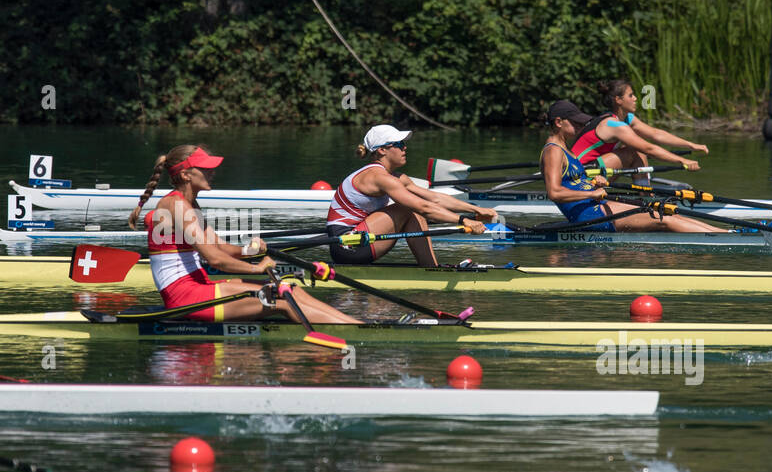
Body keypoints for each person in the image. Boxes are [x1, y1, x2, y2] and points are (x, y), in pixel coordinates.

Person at [127, 144, 360, 324]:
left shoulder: (189, 204)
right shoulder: (176, 206)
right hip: (185, 298)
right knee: (281, 299)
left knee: (291, 290)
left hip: (199, 286)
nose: (212, 172)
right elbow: (215, 259)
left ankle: (357, 324)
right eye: (205, 168)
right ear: (186, 174)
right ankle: (356, 330)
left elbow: (223, 249)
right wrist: (257, 268)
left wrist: (254, 249)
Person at [326, 125, 499, 267]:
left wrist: (477, 209)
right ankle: (431, 270)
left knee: (414, 209)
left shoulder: (397, 178)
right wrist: (463, 221)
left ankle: (431, 268)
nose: (405, 148)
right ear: (382, 151)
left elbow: (434, 198)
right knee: (410, 209)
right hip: (347, 245)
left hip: (363, 239)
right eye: (399, 144)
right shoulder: (378, 177)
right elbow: (424, 207)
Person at [540, 101, 718, 233]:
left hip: (596, 205)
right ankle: (728, 237)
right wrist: (591, 193)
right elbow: (554, 192)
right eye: (575, 123)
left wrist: (594, 183)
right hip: (590, 215)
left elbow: (573, 183)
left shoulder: (566, 151)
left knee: (661, 211)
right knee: (664, 218)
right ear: (558, 122)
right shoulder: (553, 152)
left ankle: (728, 234)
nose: (580, 126)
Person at [570, 79, 709, 172]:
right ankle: (645, 196)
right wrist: (682, 160)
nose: (636, 99)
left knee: (635, 149)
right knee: (635, 150)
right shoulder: (613, 124)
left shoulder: (626, 118)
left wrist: (691, 145)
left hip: (593, 168)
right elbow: (649, 148)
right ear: (618, 100)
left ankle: (644, 191)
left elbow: (656, 134)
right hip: (577, 173)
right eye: (631, 96)